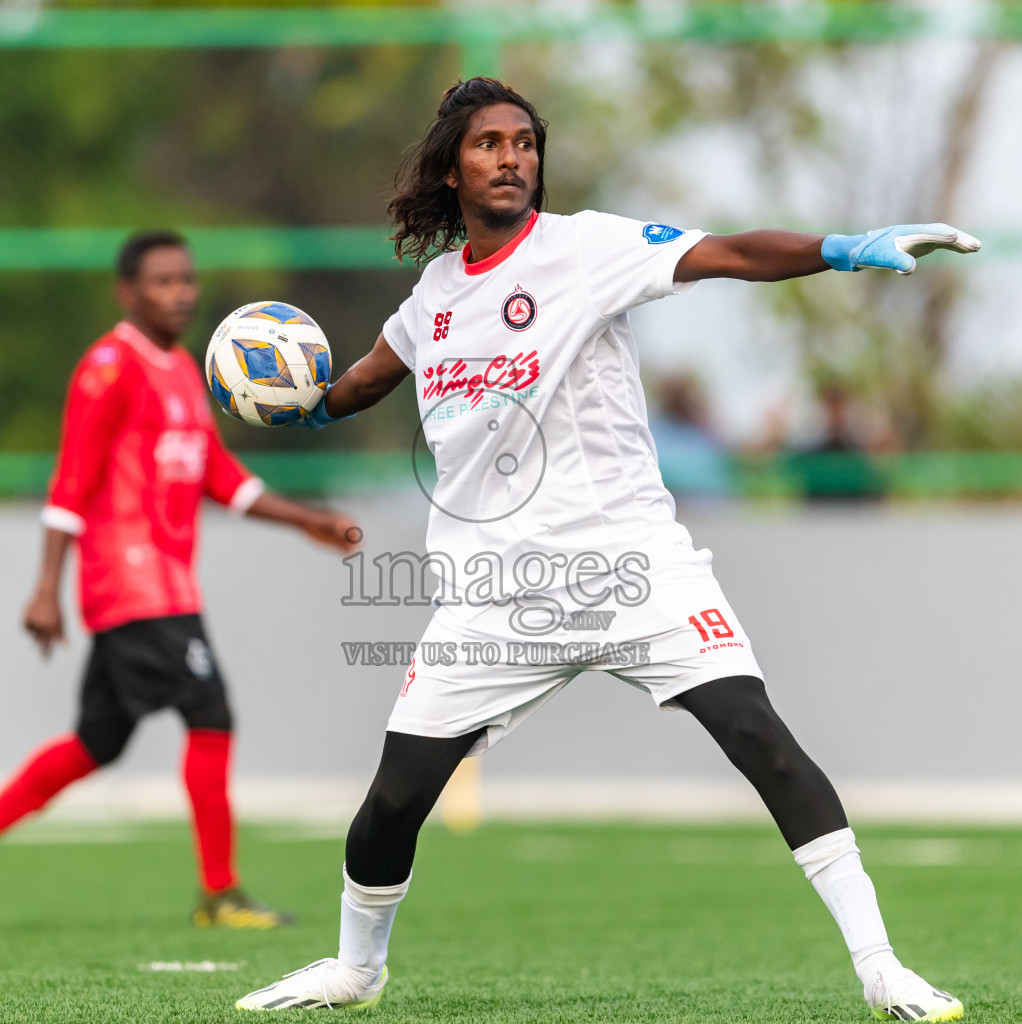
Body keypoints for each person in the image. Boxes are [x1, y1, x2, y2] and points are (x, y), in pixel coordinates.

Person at [234, 79, 978, 1019]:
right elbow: (362, 385)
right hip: (493, 593)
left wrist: (844, 249)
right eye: (489, 144)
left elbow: (730, 253)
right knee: (393, 802)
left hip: (630, 567)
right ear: (451, 169)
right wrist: (297, 400)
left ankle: (882, 969)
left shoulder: (585, 248)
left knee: (761, 738)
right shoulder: (432, 298)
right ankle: (355, 970)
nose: (512, 158)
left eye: (525, 143)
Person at [0, 230, 359, 929]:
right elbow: (71, 480)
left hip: (167, 584)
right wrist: (44, 586)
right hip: (131, 583)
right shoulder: (109, 367)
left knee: (97, 743)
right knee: (211, 713)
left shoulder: (183, 370)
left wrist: (306, 519)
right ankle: (220, 893)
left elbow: (218, 477)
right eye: (163, 281)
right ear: (128, 292)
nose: (181, 292)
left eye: (187, 279)